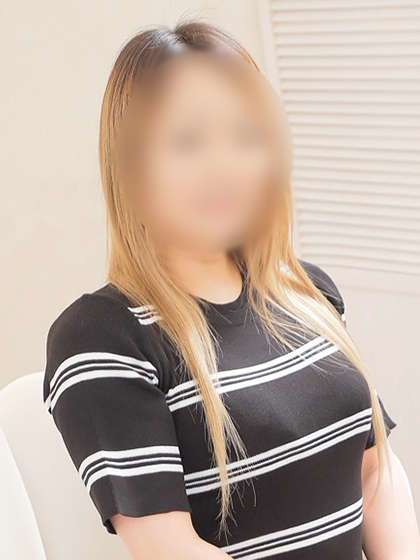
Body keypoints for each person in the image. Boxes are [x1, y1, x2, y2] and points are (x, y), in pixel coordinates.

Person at [43, 21, 420, 560]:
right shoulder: (102, 338)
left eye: (245, 136)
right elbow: (168, 547)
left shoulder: (307, 291)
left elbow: (375, 469)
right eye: (188, 141)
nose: (223, 167)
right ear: (132, 165)